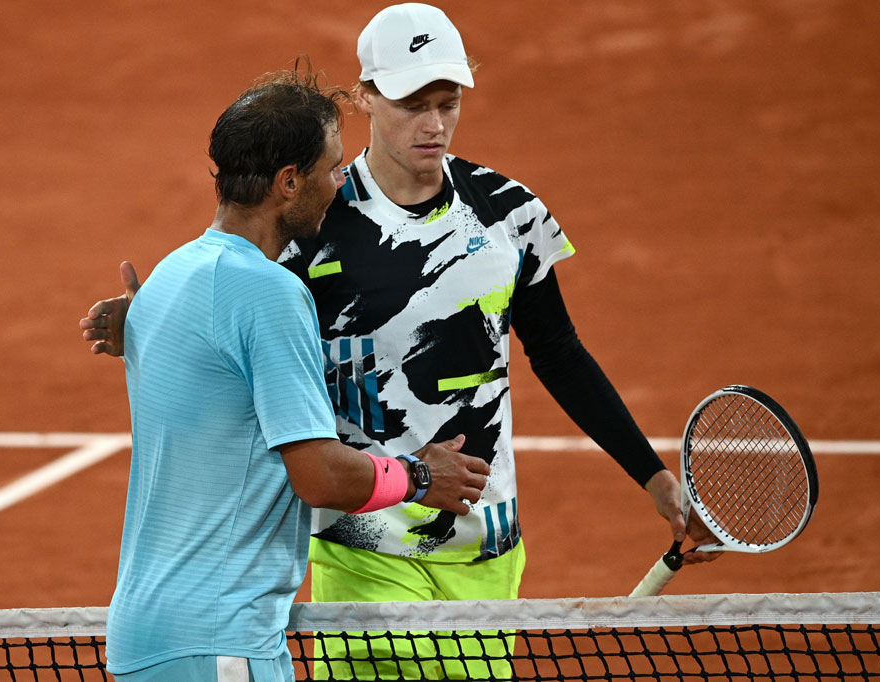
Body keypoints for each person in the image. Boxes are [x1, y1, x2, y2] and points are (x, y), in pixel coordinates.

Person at [81, 6, 719, 679]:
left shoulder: (508, 213)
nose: (434, 123)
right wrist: (146, 320)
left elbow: (558, 351)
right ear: (366, 97)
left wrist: (654, 479)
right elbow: (234, 309)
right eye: (414, 103)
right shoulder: (314, 217)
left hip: (485, 544)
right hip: (364, 545)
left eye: (448, 103)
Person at [97, 65, 491, 682]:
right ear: (288, 182)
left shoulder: (170, 277)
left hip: (146, 637)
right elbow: (319, 476)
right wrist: (419, 476)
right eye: (332, 169)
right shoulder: (269, 291)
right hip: (221, 639)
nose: (341, 183)